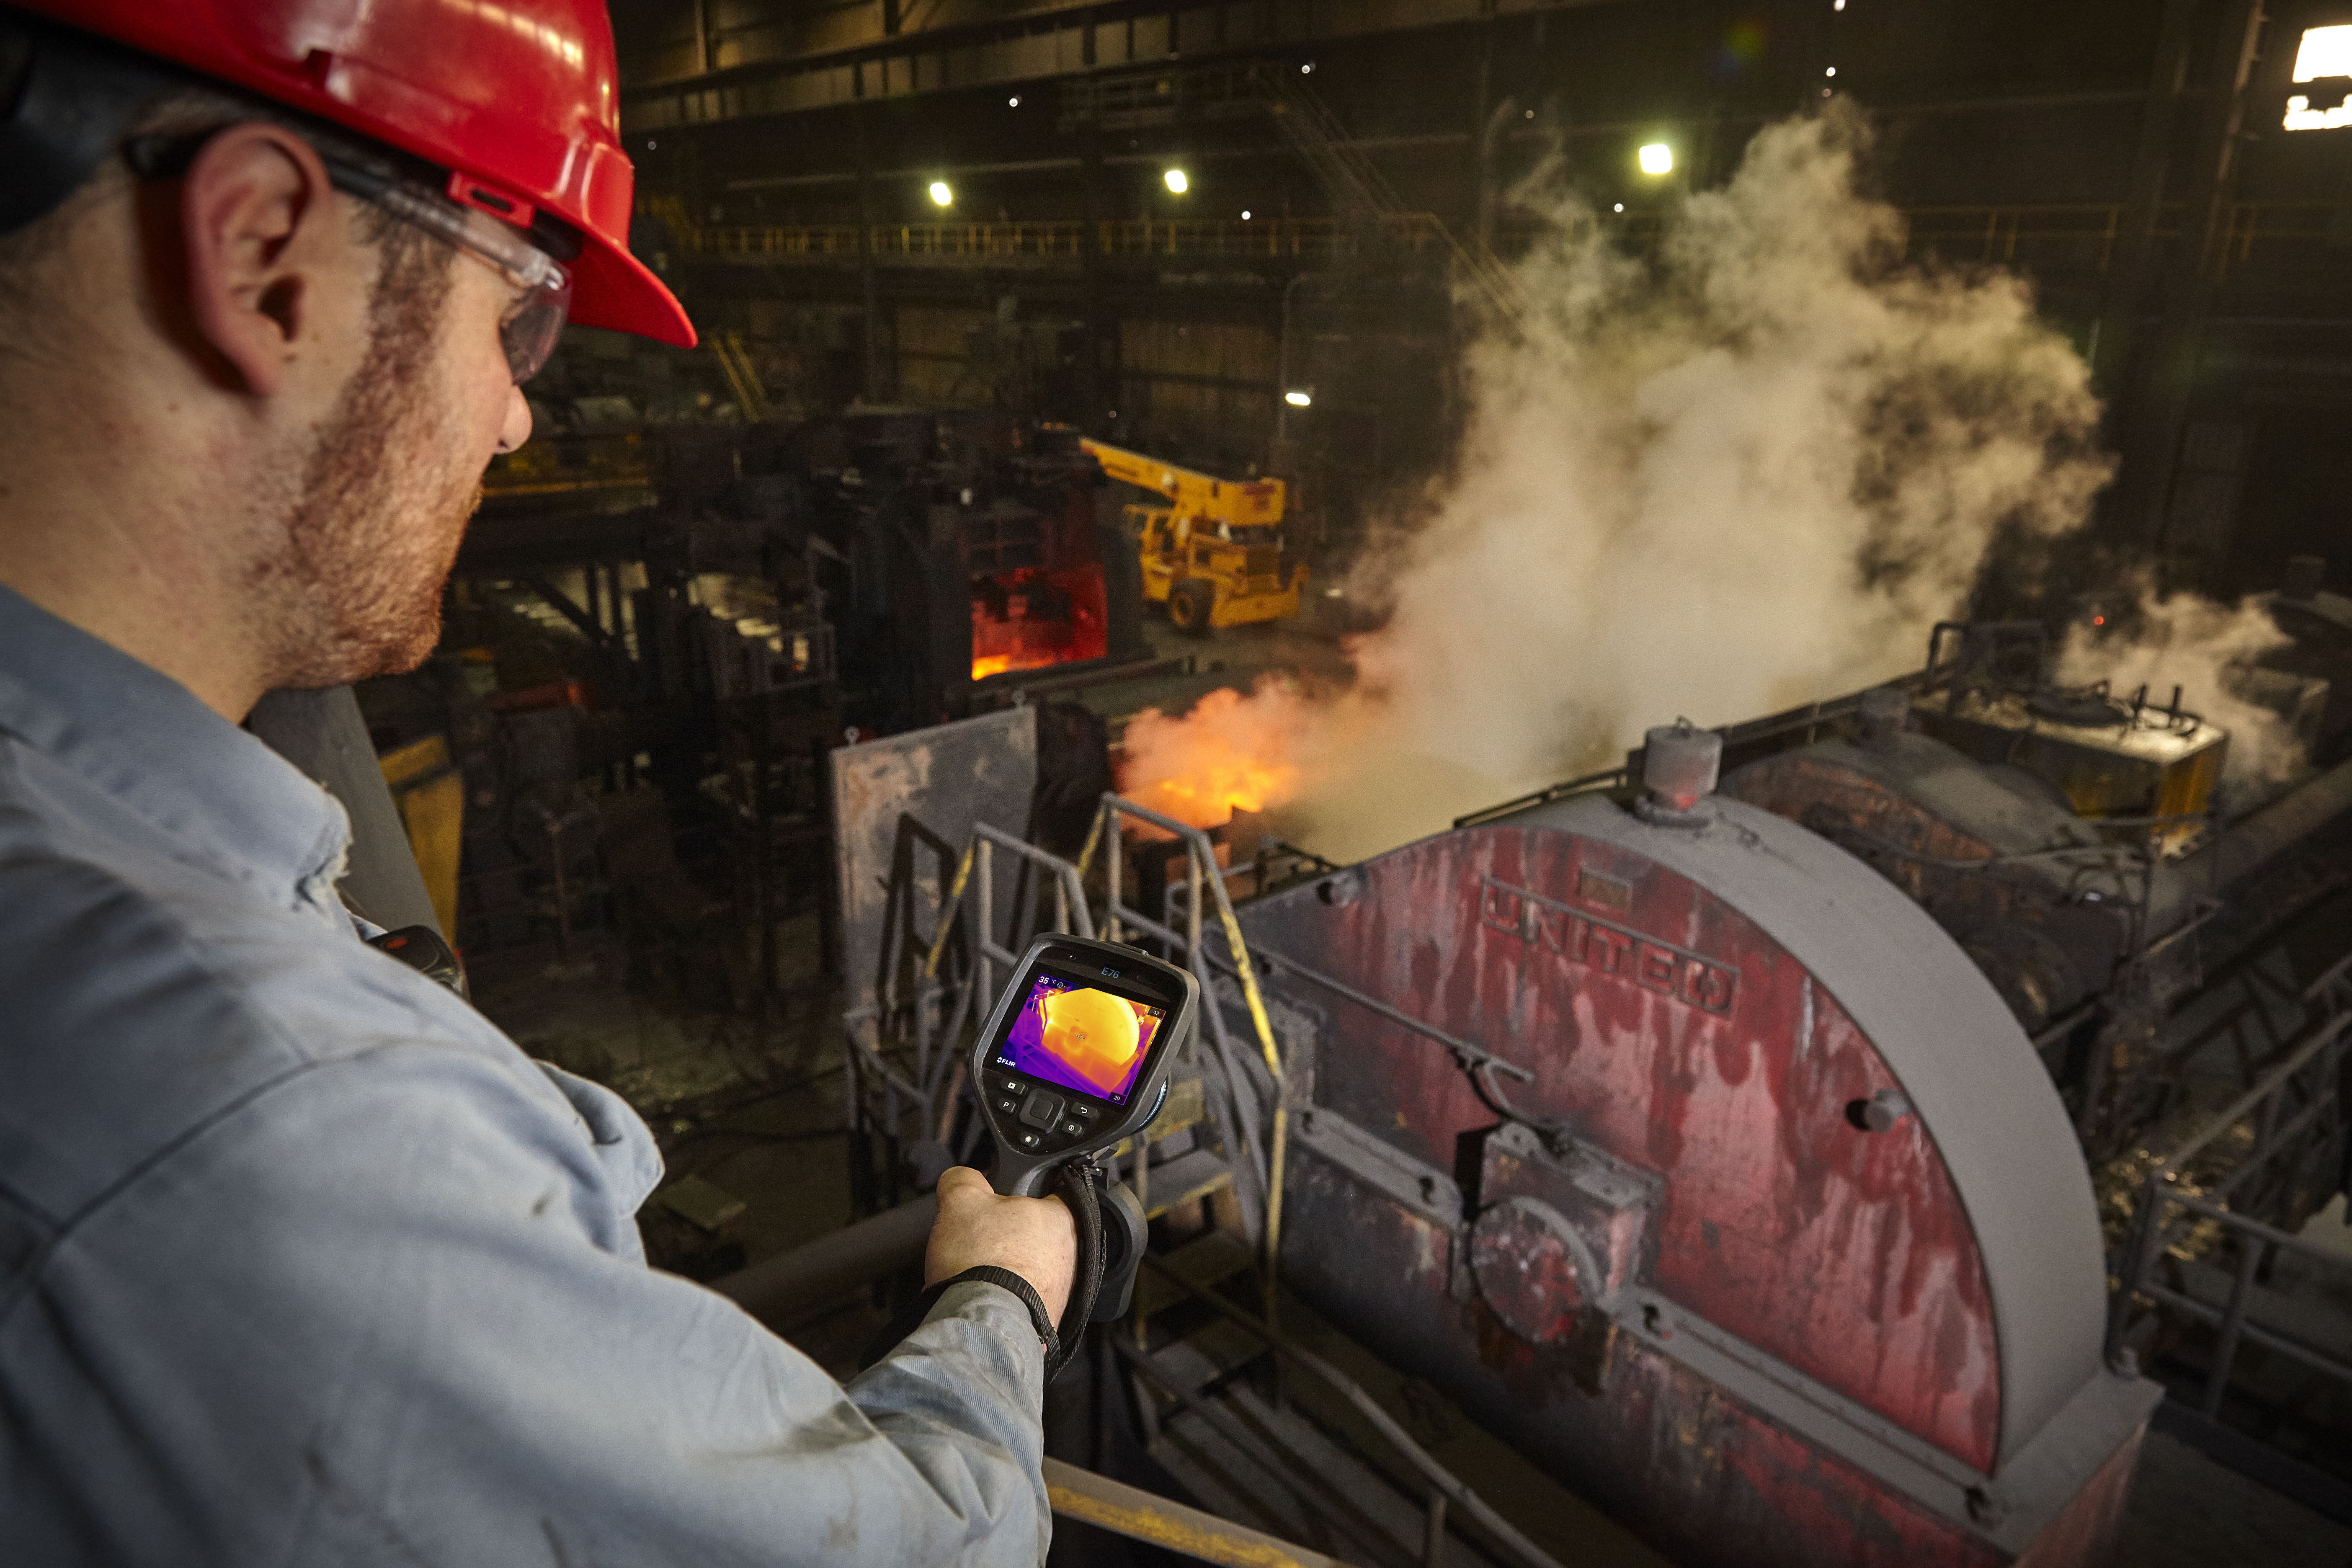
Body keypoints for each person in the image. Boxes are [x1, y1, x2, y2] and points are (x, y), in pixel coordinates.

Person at [0, 4, 1077, 1562]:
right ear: (263, 257)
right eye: (519, 317)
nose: (516, 416)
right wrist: (999, 1293)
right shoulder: (276, 1114)